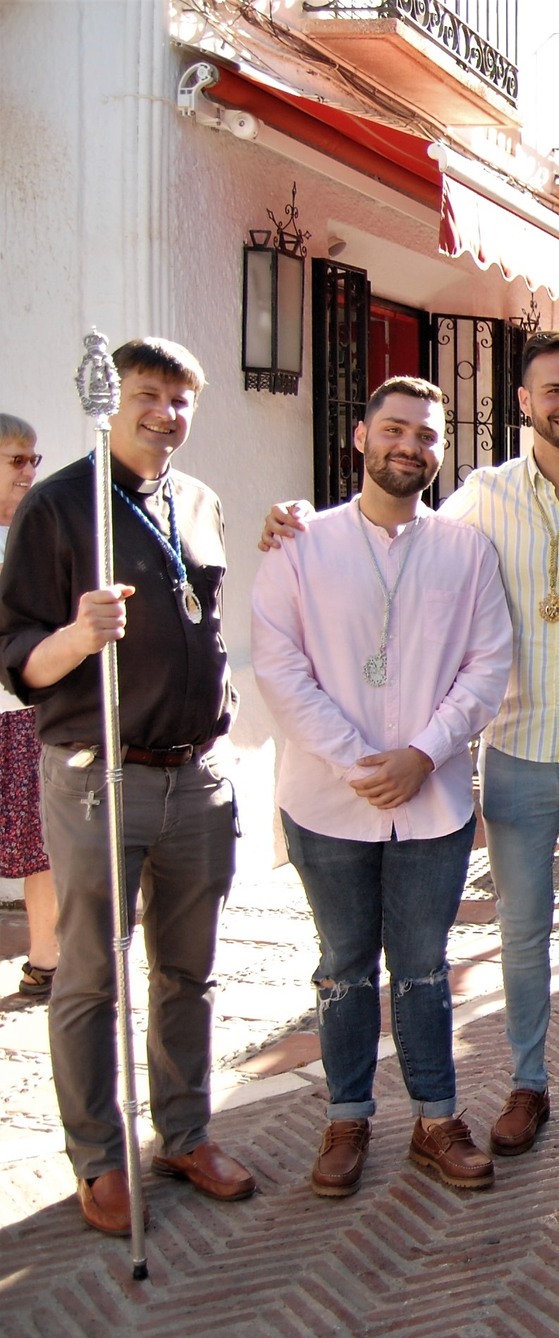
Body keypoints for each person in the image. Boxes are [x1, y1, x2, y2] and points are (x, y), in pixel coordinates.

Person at [262, 330, 559, 1166]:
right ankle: (527, 1085)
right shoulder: (479, 499)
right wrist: (294, 523)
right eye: (553, 390)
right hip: (515, 750)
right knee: (521, 932)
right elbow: (396, 540)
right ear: (524, 402)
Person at [0, 338, 253, 1233]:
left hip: (197, 773)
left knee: (188, 971)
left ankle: (183, 1134)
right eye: (147, 394)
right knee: (90, 975)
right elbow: (17, 658)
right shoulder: (60, 506)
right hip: (100, 774)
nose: (164, 414)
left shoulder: (199, 501)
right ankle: (98, 1160)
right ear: (117, 400)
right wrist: (77, 636)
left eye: (180, 400)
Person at [251, 377, 514, 1196]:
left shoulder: (467, 550)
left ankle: (436, 1119)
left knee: (426, 965)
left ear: (440, 450)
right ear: (361, 437)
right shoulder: (300, 543)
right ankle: (347, 1117)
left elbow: (488, 665)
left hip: (432, 801)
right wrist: (358, 762)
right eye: (395, 429)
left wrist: (424, 754)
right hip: (327, 800)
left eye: (426, 435)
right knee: (342, 965)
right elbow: (279, 665)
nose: (410, 446)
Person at [0, 413, 58, 998]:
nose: (28, 472)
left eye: (32, 459)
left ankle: (46, 959)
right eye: (16, 460)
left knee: (41, 841)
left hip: (24, 710)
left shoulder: (38, 533)